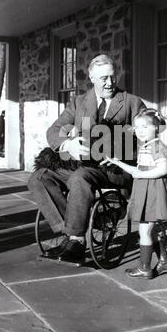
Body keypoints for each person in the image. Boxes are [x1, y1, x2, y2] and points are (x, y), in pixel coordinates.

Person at [28, 54, 145, 263]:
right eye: (104, 79)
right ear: (92, 78)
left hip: (114, 168)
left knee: (80, 178)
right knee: (39, 177)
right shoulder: (80, 102)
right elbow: (54, 130)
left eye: (112, 77)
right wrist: (67, 145)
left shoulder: (132, 103)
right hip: (83, 165)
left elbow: (149, 136)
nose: (110, 83)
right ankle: (71, 232)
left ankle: (77, 240)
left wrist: (124, 143)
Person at [102, 108, 167, 279]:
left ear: (156, 127)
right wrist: (117, 162)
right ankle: (165, 261)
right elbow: (137, 170)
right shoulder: (147, 145)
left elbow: (163, 169)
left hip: (153, 194)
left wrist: (141, 174)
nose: (139, 131)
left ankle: (145, 267)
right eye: (137, 128)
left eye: (144, 127)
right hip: (145, 191)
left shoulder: (157, 146)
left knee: (144, 232)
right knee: (151, 230)